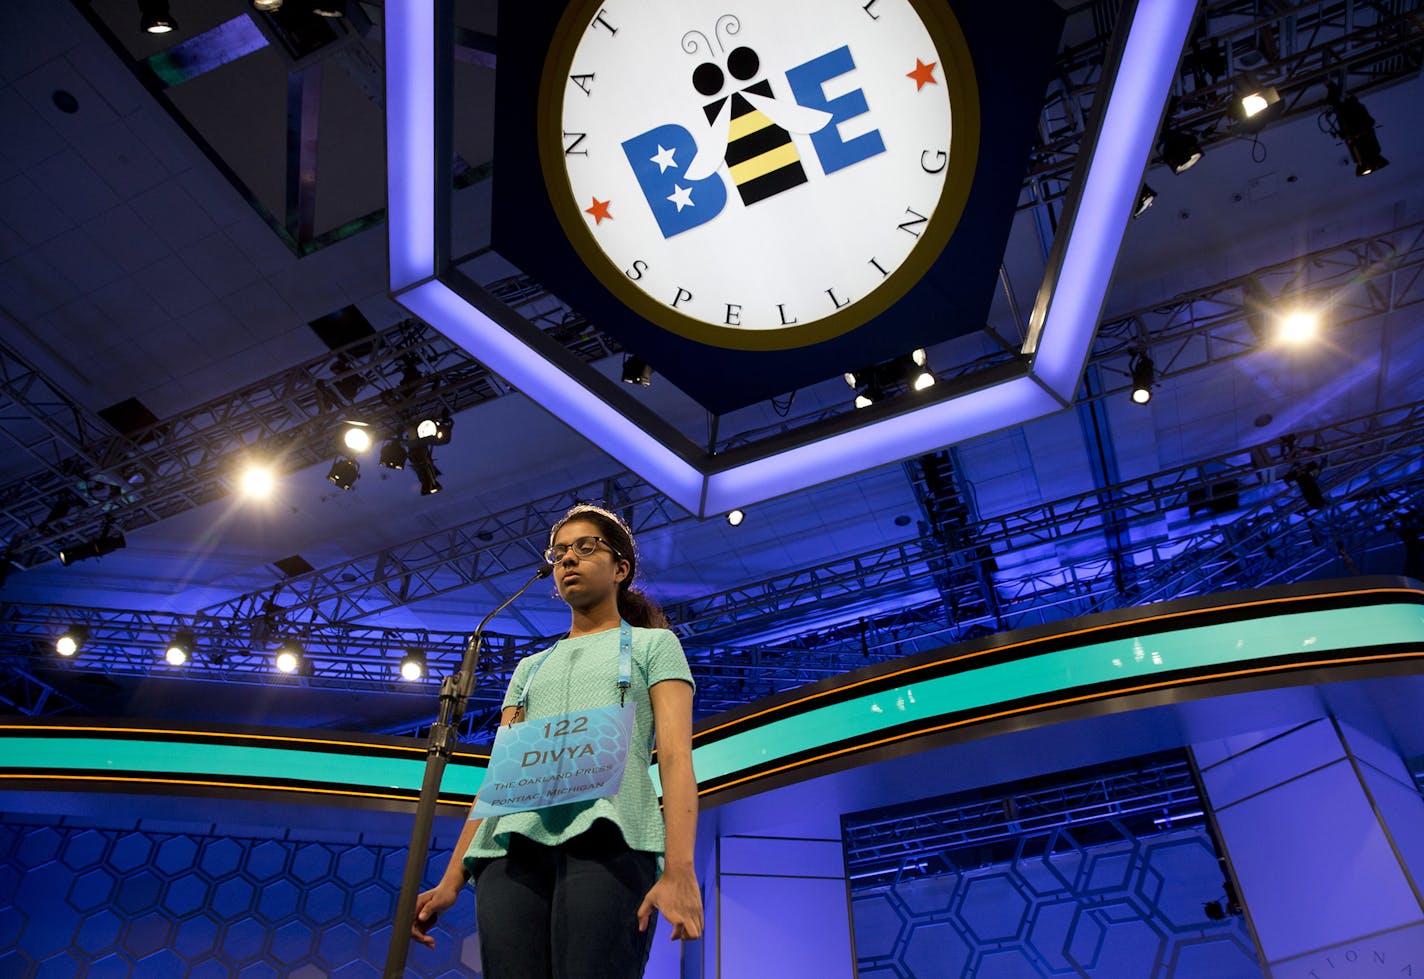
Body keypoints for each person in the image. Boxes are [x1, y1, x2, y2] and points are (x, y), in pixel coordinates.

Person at [409, 503, 702, 977]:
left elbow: (674, 757)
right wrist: (451, 878)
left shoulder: (653, 646)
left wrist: (680, 869)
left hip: (610, 839)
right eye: (560, 551)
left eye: (586, 547)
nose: (568, 559)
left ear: (620, 568)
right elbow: (498, 779)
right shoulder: (529, 668)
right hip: (510, 852)